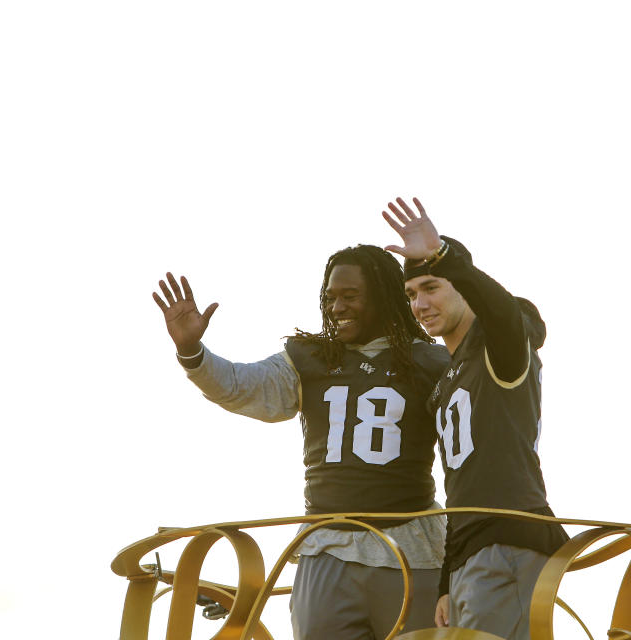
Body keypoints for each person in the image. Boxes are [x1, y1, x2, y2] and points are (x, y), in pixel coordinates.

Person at [152, 244, 450, 640]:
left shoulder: (433, 362)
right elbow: (241, 386)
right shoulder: (309, 356)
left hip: (411, 545)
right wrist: (192, 351)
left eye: (350, 296)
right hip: (326, 545)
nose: (337, 307)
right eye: (330, 297)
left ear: (383, 296)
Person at [382, 197, 570, 640]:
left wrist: (444, 255)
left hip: (509, 541)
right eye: (411, 294)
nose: (420, 303)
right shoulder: (449, 378)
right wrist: (448, 580)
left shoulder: (497, 349)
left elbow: (505, 315)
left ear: (465, 287)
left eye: (432, 287)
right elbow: (461, 486)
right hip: (471, 549)